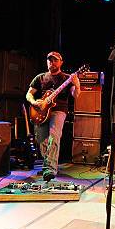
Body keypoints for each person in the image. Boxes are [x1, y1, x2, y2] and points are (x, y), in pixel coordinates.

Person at [26, 51, 81, 181]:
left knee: (54, 137)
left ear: (61, 62)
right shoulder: (40, 77)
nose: (52, 62)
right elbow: (29, 94)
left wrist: (77, 84)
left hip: (58, 111)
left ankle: (49, 169)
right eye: (50, 60)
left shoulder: (67, 78)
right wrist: (34, 102)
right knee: (41, 140)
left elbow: (76, 95)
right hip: (41, 112)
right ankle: (47, 166)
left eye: (55, 60)